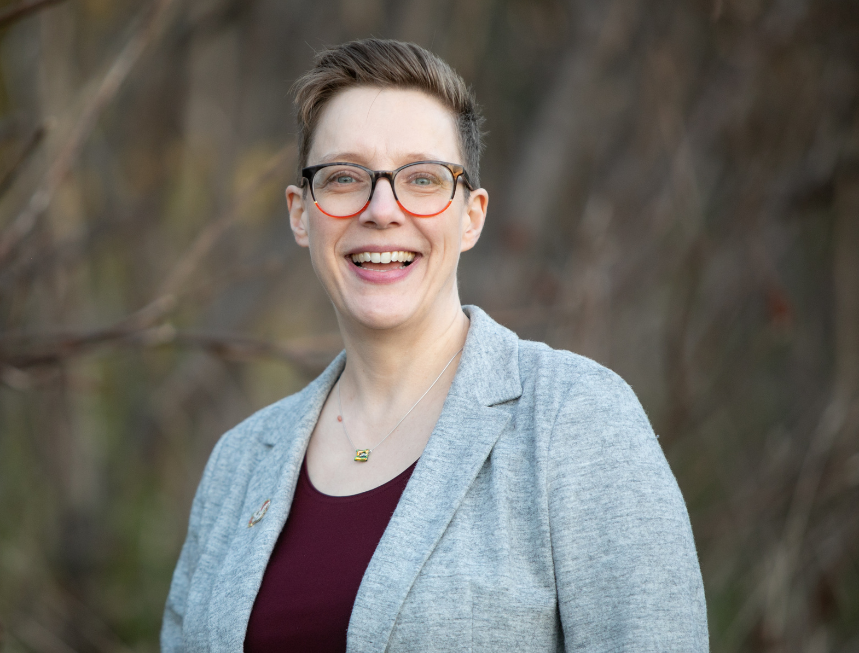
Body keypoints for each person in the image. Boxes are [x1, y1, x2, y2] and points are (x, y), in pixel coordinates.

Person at [162, 38, 708, 652]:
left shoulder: (574, 421)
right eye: (344, 178)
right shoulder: (238, 466)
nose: (381, 210)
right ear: (300, 212)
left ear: (471, 215)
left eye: (422, 179)